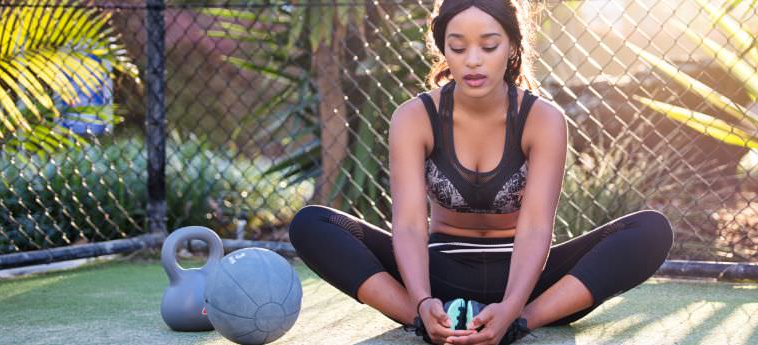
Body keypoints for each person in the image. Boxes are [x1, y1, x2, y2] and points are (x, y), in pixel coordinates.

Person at [287, 0, 673, 344]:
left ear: (511, 46)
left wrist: (514, 309)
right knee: (311, 224)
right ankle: (425, 322)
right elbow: (407, 225)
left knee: (650, 231)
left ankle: (520, 324)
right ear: (444, 50)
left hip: (528, 280)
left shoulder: (543, 120)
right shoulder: (413, 117)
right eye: (458, 47)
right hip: (439, 274)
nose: (473, 59)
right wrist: (422, 301)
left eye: (489, 46)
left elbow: (537, 227)